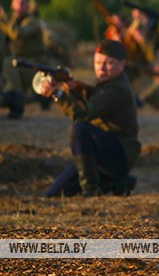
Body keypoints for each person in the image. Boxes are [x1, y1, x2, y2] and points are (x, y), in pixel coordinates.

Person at [42, 40, 140, 197]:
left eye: (109, 63)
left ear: (122, 64)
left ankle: (90, 189)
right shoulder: (105, 83)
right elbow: (90, 100)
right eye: (98, 62)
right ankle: (116, 182)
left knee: (80, 129)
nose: (101, 68)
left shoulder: (117, 89)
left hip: (119, 153)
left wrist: (58, 95)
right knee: (55, 194)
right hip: (101, 151)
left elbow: (84, 114)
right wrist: (72, 88)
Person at [0, 0, 49, 118]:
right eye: (17, 3)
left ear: (28, 6)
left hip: (35, 63)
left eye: (22, 4)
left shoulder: (33, 22)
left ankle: (17, 101)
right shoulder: (15, 22)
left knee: (9, 64)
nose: (19, 7)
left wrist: (3, 19)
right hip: (22, 62)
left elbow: (16, 34)